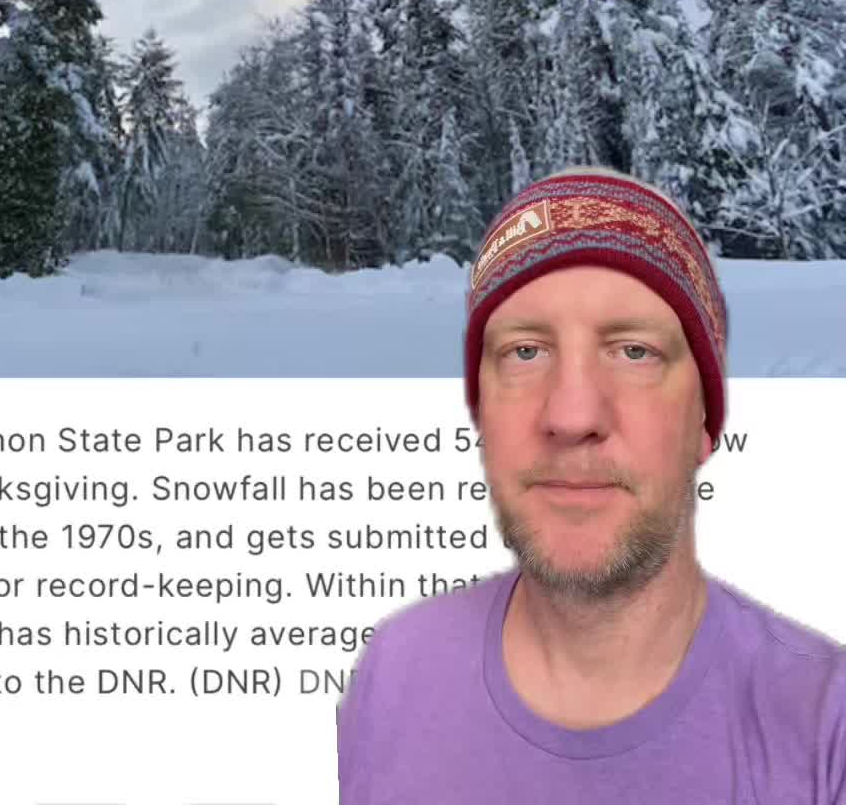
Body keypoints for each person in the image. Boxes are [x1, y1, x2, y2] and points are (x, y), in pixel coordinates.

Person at [337, 165, 846, 802]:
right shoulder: (394, 670)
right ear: (481, 414)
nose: (572, 417)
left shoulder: (825, 727)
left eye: (634, 351)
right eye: (524, 352)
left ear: (704, 423)